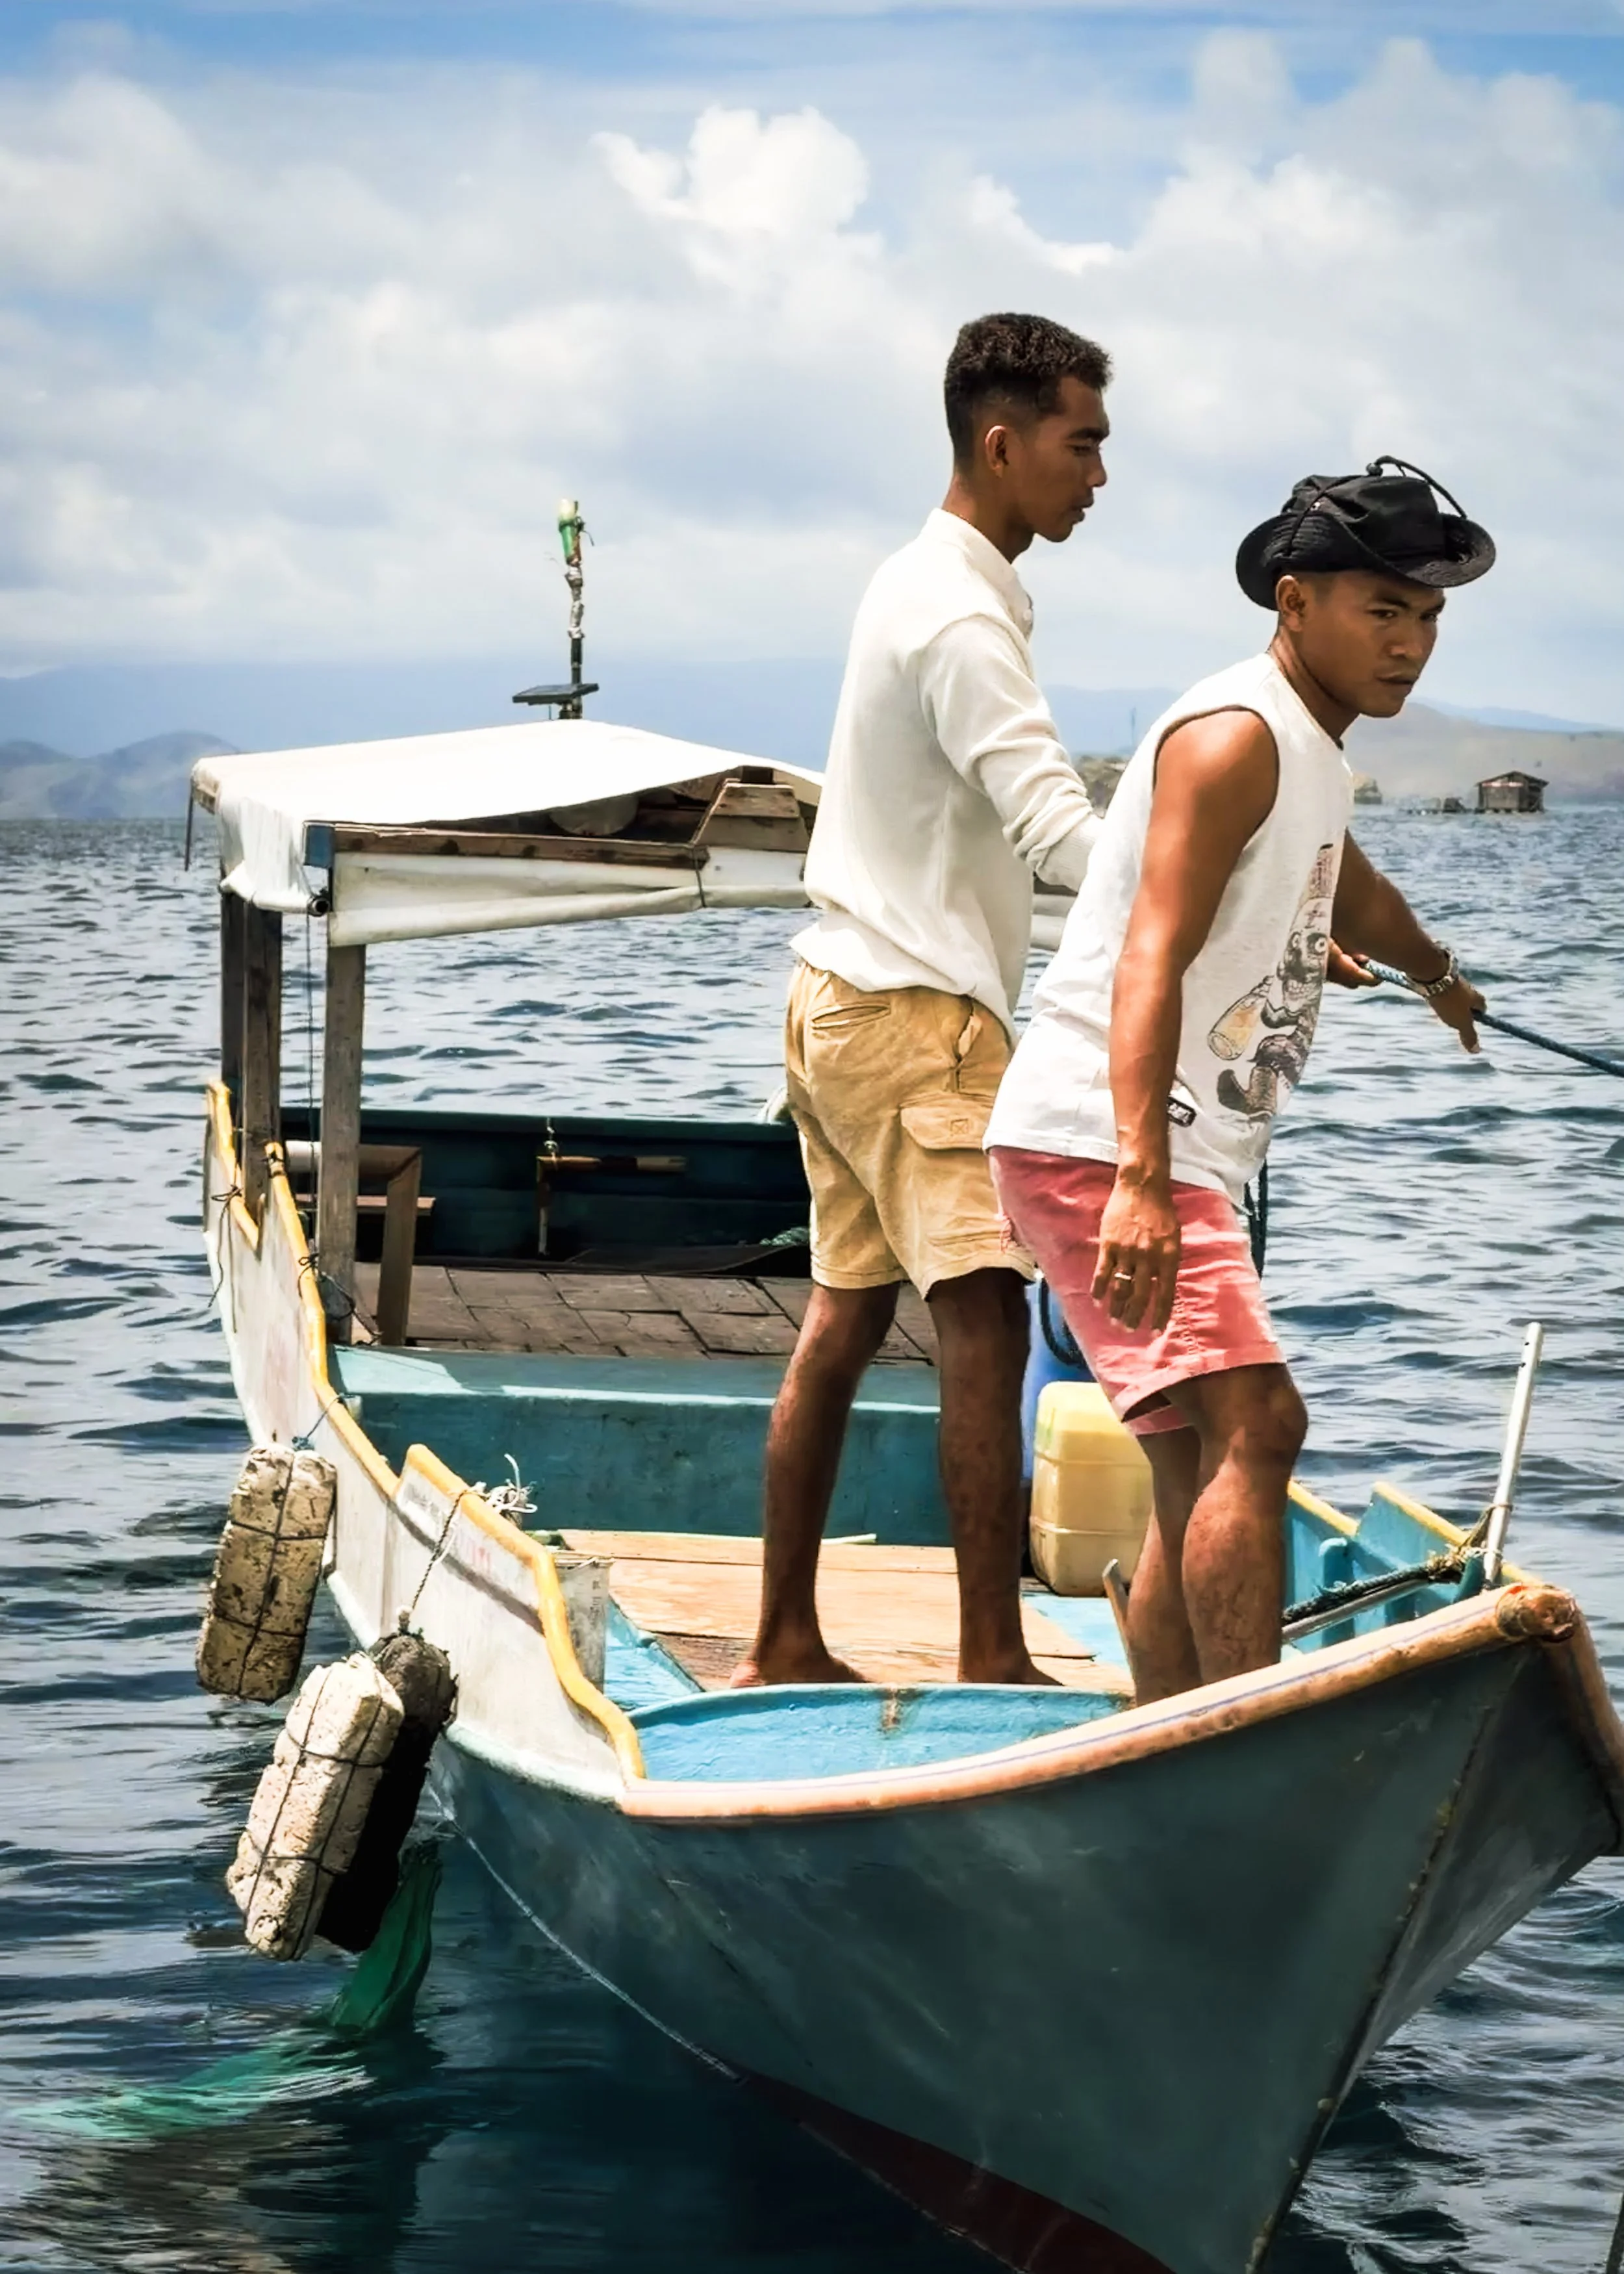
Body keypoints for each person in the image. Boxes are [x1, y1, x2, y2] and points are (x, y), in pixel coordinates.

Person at [986, 457, 1494, 1704]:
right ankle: (1249, 1736)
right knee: (1262, 1428)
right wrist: (1144, 1185)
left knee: (1188, 1463)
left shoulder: (1309, 744)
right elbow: (1145, 960)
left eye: (1429, 617)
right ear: (1293, 600)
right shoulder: (1234, 736)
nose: (1411, 644)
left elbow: (1348, 881)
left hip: (1130, 1147)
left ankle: (1165, 1732)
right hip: (1112, 1145)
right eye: (1383, 610)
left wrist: (1438, 976)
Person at [735, 313, 1110, 1689]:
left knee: (841, 1316)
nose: (1098, 475)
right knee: (985, 1314)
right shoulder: (958, 614)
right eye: (1082, 445)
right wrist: (1210, 900)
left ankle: (783, 1636)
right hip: (911, 1023)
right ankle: (991, 1657)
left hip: (833, 997)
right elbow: (1057, 832)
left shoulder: (923, 579)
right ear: (1001, 445)